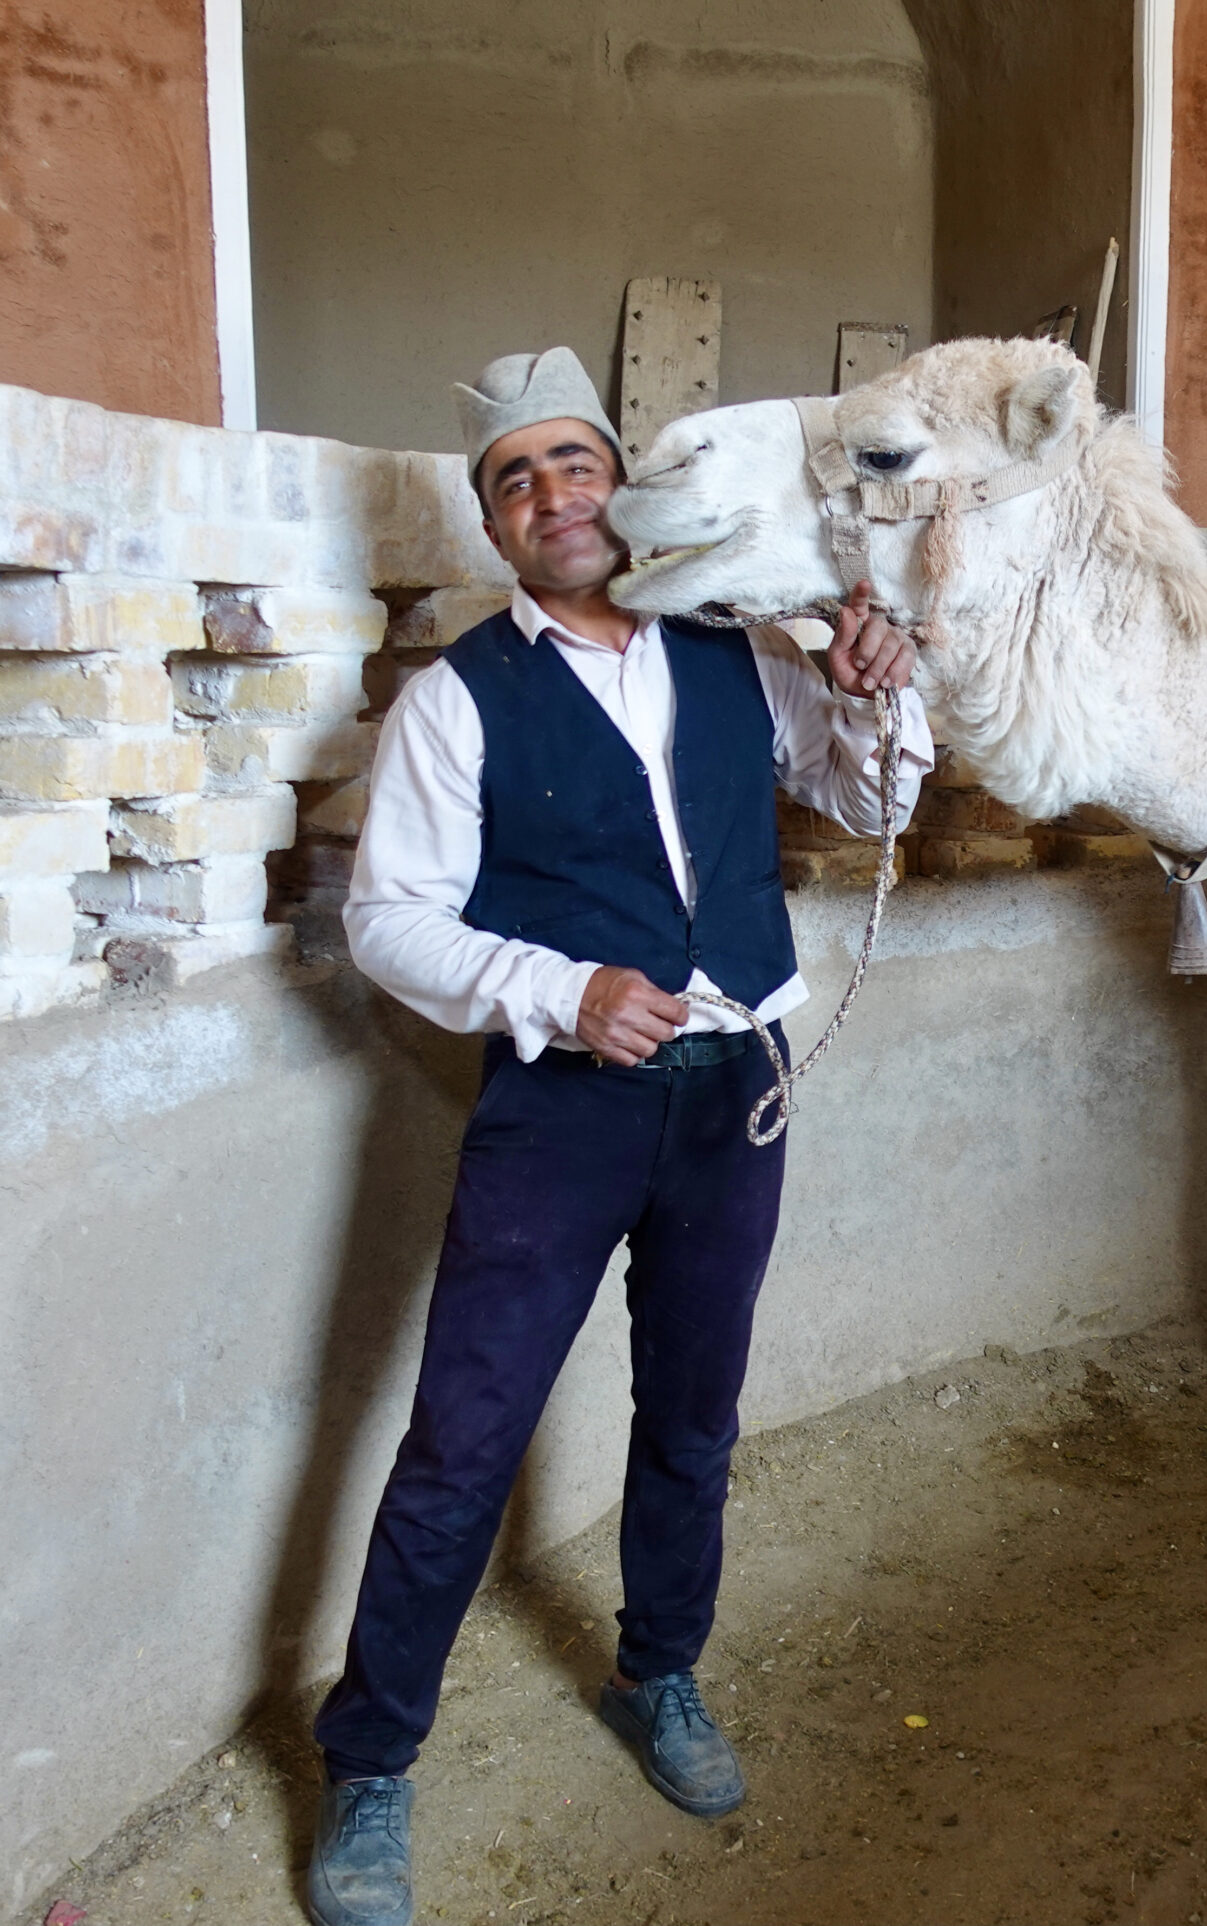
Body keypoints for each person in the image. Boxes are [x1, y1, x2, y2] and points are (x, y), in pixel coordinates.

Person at [301, 347, 931, 1926]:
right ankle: (372, 1763)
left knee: (695, 1415)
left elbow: (868, 803)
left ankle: (660, 1673)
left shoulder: (736, 644)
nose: (554, 496)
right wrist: (560, 989)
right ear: (496, 527)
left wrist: (876, 686)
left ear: (620, 482)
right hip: (559, 1111)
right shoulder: (459, 701)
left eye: (575, 463)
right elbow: (388, 922)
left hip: (737, 1089)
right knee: (462, 1438)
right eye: (517, 480)